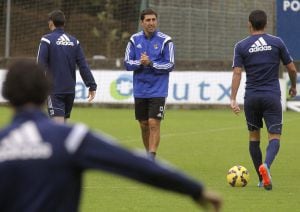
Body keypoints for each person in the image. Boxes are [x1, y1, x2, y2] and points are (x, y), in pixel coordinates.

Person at [0, 59, 221, 212]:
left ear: (7, 95)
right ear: (46, 90)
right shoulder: (71, 138)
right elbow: (135, 164)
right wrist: (194, 189)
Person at [230, 10, 297, 190]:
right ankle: (266, 165)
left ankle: (261, 179)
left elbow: (237, 72)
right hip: (271, 96)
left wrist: (232, 98)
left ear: (249, 24)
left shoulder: (241, 46)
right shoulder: (277, 42)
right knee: (274, 136)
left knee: (253, 137)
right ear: (266, 24)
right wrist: (293, 86)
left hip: (251, 97)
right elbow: (291, 69)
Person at [124, 8, 175, 159]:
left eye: (153, 20)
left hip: (158, 90)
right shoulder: (134, 40)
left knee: (153, 123)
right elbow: (127, 63)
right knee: (144, 125)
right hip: (140, 90)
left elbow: (170, 64)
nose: (151, 23)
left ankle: (151, 157)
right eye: (148, 20)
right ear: (142, 22)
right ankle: (148, 155)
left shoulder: (166, 41)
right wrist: (141, 63)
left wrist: (151, 64)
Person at [37, 10, 97, 123]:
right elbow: (83, 65)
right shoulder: (74, 42)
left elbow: (40, 65)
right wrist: (91, 85)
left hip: (54, 89)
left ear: (51, 22)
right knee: (64, 124)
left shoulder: (47, 40)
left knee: (58, 125)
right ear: (63, 23)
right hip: (70, 91)